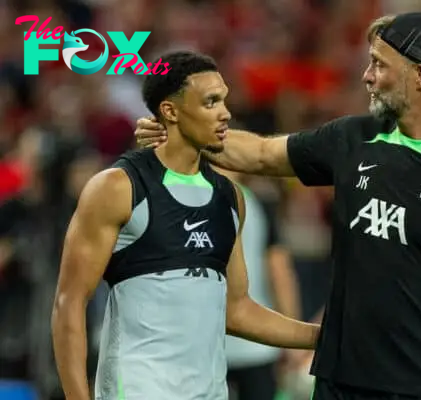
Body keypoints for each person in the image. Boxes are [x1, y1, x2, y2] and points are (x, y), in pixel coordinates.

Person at [135, 13, 421, 400]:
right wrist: (183, 129)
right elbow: (259, 154)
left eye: (380, 65)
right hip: (339, 379)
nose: (367, 76)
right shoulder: (353, 137)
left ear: (420, 76)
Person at [51, 51, 319, 400]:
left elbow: (237, 310)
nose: (226, 113)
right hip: (136, 390)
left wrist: (321, 337)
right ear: (170, 111)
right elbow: (69, 304)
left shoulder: (230, 198)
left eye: (224, 99)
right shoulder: (118, 188)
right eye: (211, 102)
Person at [222, 170, 303, 400]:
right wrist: (291, 338)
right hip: (256, 342)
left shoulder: (181, 198)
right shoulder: (258, 203)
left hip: (201, 347)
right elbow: (279, 271)